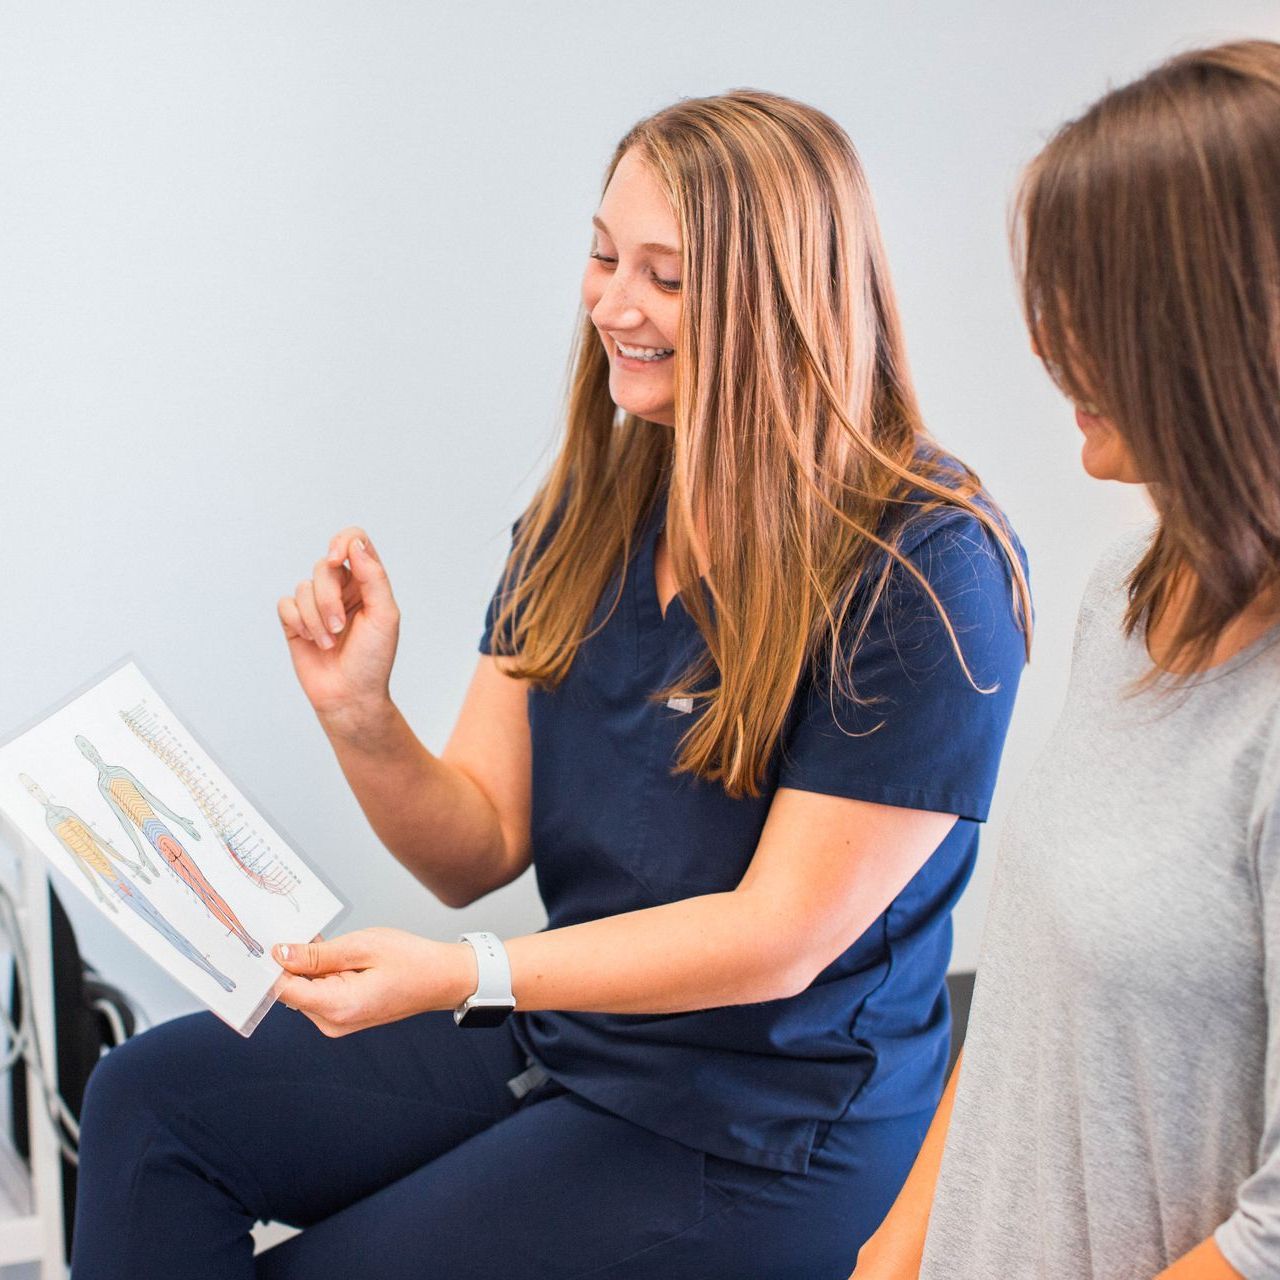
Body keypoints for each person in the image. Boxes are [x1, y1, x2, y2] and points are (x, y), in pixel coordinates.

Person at [71, 90, 1029, 1280]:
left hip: (764, 1126)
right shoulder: (591, 510)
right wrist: (360, 714)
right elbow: (478, 841)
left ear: (780, 296)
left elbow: (776, 937)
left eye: (665, 277)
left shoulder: (926, 563)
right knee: (147, 1101)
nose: (612, 304)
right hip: (570, 1038)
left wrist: (464, 971)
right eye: (601, 254)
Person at [853, 39, 1280, 1280]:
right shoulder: (1125, 596)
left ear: (1217, 324)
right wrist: (898, 1245)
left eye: (1089, 302)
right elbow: (1035, 1012)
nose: (1046, 345)